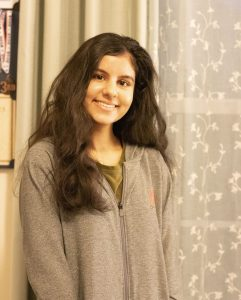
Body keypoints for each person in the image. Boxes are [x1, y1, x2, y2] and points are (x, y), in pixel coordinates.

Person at [19, 32, 182, 300]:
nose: (111, 91)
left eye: (124, 82)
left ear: (135, 93)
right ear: (79, 82)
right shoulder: (45, 161)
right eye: (99, 76)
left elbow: (169, 261)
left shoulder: (153, 165)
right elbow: (46, 267)